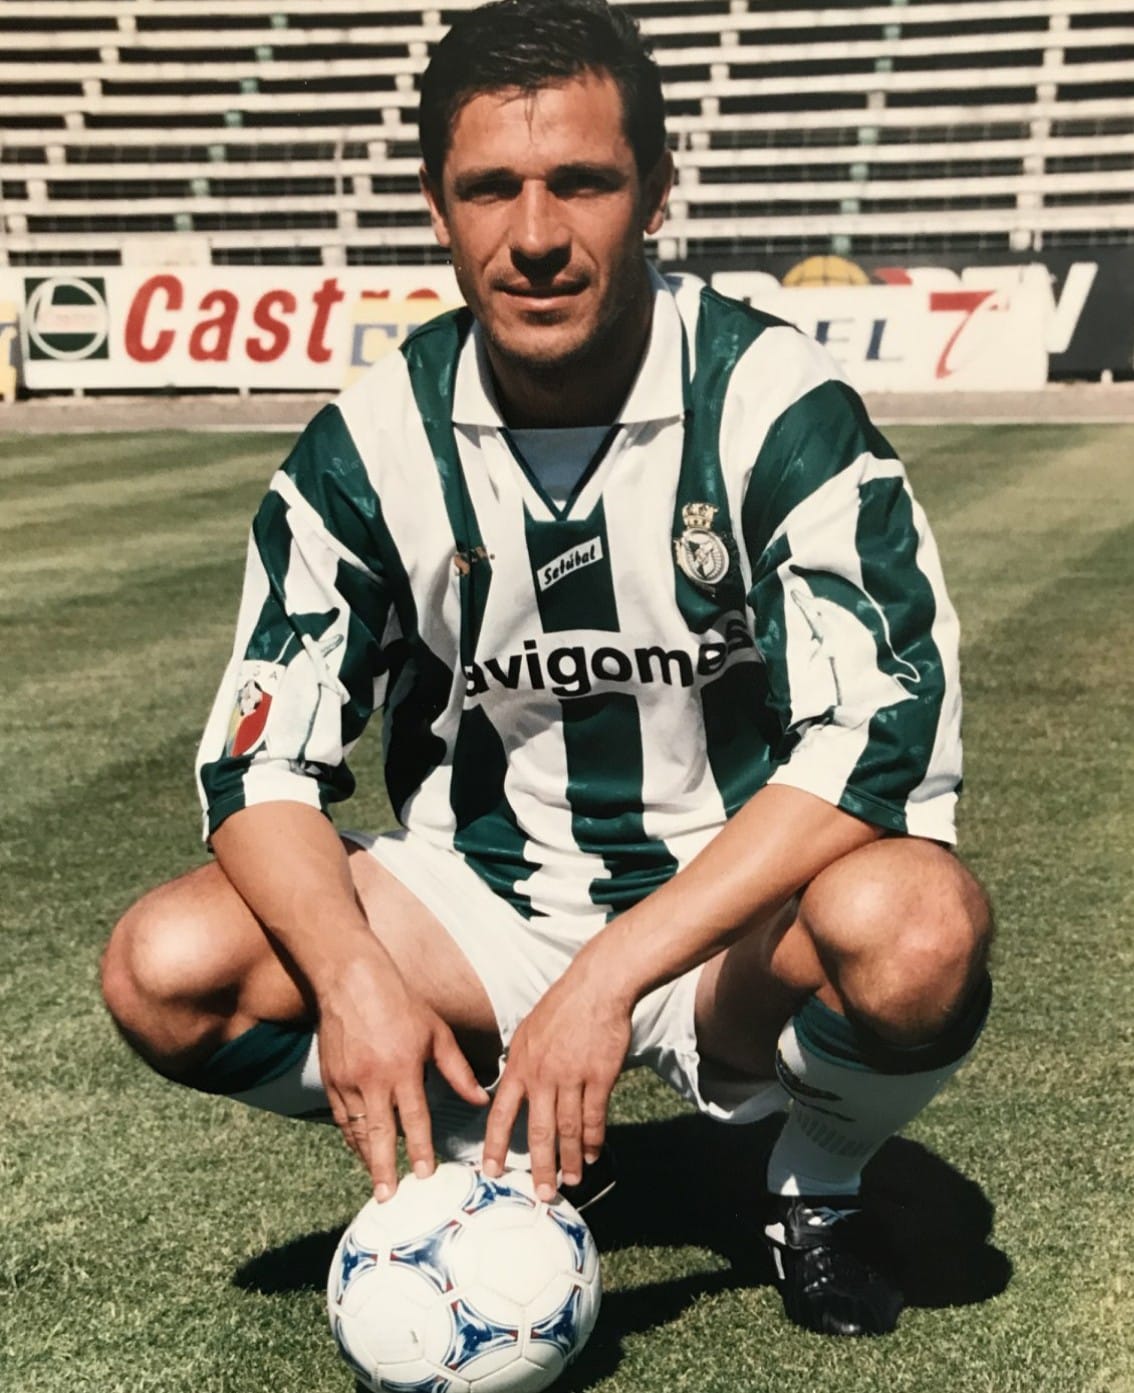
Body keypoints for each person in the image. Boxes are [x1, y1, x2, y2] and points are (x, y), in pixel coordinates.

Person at [100, 0, 993, 1341]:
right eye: (489, 188)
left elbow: (876, 735)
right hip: (478, 902)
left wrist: (612, 972)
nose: (533, 234)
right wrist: (351, 979)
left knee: (918, 931)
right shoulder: (373, 440)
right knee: (166, 963)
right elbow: (257, 762)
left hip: (727, 919)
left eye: (581, 181)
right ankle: (481, 1141)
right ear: (435, 204)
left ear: (655, 193)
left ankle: (814, 1182)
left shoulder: (769, 403)